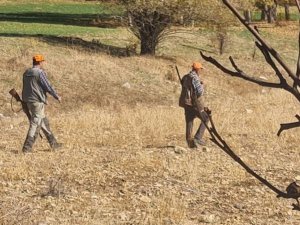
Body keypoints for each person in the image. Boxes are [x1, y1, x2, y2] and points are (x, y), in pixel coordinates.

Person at [22, 54, 62, 153]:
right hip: (37, 102)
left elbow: (29, 87)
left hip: (28, 101)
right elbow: (48, 86)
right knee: (35, 124)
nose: (43, 63)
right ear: (40, 62)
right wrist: (56, 96)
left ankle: (54, 144)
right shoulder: (39, 73)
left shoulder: (26, 72)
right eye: (42, 61)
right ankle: (27, 148)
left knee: (43, 121)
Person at [179, 62, 209, 148]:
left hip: (186, 102)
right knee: (206, 118)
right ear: (197, 69)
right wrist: (201, 85)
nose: (201, 71)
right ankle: (198, 137)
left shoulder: (186, 76)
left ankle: (190, 143)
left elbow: (183, 84)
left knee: (189, 121)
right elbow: (199, 92)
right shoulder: (195, 77)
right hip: (194, 102)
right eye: (200, 69)